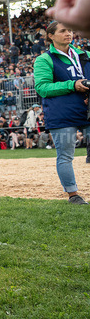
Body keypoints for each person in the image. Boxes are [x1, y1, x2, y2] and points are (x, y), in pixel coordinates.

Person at [33, 21, 90, 203]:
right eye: (63, 31)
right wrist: (72, 85)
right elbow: (42, 88)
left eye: (70, 30)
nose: (68, 34)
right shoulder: (44, 59)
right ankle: (73, 195)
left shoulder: (85, 55)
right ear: (50, 36)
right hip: (62, 114)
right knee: (65, 155)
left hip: (87, 110)